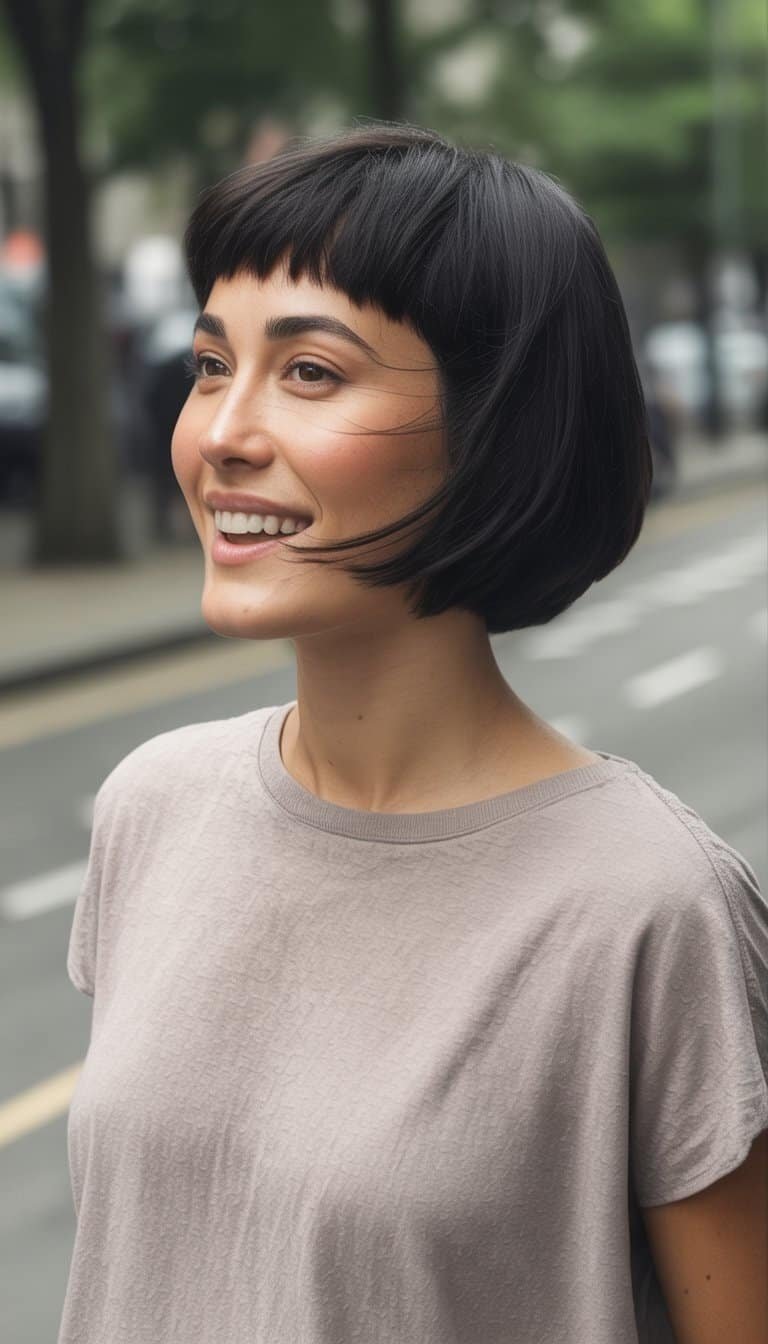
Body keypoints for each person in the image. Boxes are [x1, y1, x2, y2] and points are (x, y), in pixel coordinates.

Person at [60, 124, 768, 1344]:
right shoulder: (152, 805)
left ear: (497, 427)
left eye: (312, 373)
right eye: (208, 363)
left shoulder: (649, 909)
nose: (221, 431)